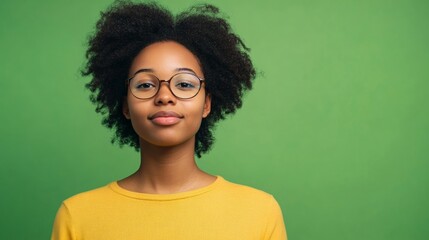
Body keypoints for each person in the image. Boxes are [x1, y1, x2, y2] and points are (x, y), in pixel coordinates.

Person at [51, 1, 287, 239]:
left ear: (206, 104)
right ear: (125, 106)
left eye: (184, 84)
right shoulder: (78, 216)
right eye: (145, 85)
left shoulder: (260, 212)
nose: (164, 96)